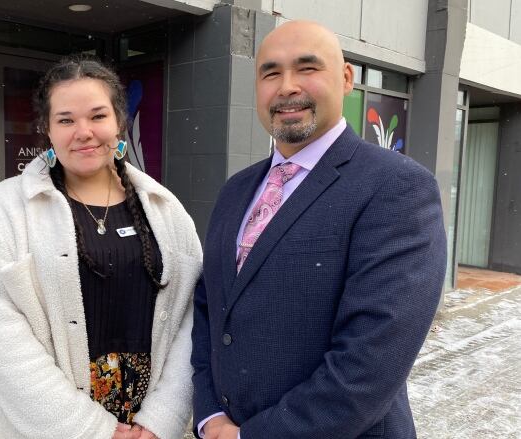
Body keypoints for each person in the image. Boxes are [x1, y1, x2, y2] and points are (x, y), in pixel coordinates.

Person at [191, 20, 447, 439]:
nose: (287, 86)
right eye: (271, 72)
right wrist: (209, 416)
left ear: (346, 78)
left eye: (307, 68)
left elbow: (371, 363)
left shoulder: (396, 187)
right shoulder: (236, 190)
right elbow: (209, 312)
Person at [0, 55, 201, 439]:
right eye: (66, 120)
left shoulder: (164, 209)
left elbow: (192, 318)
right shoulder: (1, 212)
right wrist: (89, 430)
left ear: (119, 122)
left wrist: (161, 419)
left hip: (144, 426)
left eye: (98, 116)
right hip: (37, 426)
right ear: (47, 129)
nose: (83, 131)